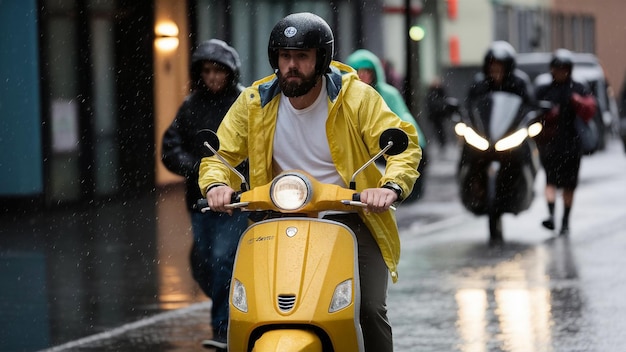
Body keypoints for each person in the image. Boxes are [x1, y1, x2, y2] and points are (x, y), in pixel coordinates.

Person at [198, 12, 421, 352]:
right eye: (285, 56)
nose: (292, 65)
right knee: (248, 308)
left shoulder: (356, 98)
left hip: (350, 217)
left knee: (368, 309)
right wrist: (216, 185)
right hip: (275, 218)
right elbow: (220, 154)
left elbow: (404, 146)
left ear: (321, 60)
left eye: (302, 56)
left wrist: (389, 187)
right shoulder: (254, 102)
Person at [161, 39, 249, 350]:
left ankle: (223, 327)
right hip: (199, 201)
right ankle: (232, 308)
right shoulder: (190, 106)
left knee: (223, 259)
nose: (212, 77)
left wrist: (239, 177)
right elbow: (170, 149)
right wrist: (199, 169)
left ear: (231, 72)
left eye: (219, 71)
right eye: (207, 70)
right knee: (204, 262)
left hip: (236, 201)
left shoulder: (244, 103)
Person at [534, 48, 597, 236]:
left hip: (572, 144)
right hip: (550, 144)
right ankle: (552, 215)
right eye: (557, 68)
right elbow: (533, 112)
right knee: (550, 180)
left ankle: (565, 220)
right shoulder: (544, 90)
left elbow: (590, 109)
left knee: (569, 184)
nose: (560, 72)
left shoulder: (578, 88)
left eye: (564, 68)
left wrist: (578, 102)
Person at [467, 40, 534, 106]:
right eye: (492, 66)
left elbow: (529, 108)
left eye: (500, 67)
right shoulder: (480, 84)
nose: (496, 70)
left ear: (508, 68)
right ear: (487, 68)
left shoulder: (519, 84)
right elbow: (471, 108)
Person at [425, 77, 450, 149]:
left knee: (441, 131)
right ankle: (439, 144)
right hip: (435, 115)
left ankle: (442, 144)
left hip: (440, 115)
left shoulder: (440, 91)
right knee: (437, 131)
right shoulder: (432, 92)